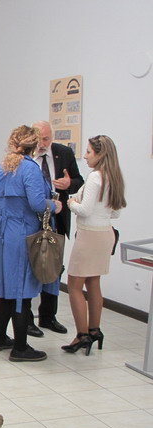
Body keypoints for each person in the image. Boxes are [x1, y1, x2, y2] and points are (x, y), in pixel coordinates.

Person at [0, 125, 62, 362]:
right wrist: (54, 205)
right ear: (34, 146)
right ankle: (20, 348)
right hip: (22, 233)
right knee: (22, 291)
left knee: (8, 289)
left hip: (2, 233)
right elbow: (37, 203)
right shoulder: (30, 169)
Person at [63, 135, 126, 355]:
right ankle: (95, 330)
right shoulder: (114, 177)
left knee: (74, 285)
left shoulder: (95, 177)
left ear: (100, 154)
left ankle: (82, 335)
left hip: (89, 236)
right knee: (93, 282)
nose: (85, 156)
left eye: (89, 152)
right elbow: (115, 213)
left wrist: (71, 202)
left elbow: (85, 210)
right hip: (105, 234)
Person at [27, 121, 84, 337]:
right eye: (39, 139)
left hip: (56, 218)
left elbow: (79, 181)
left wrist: (69, 184)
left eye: (46, 139)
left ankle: (48, 316)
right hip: (33, 219)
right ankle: (27, 319)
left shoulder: (63, 153)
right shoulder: (26, 155)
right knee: (31, 267)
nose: (42, 144)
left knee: (54, 267)